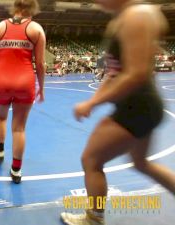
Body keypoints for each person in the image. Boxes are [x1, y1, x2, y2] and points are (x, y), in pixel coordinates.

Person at [61, 1, 175, 225]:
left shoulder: (136, 15)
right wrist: (93, 100)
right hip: (141, 106)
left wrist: (92, 104)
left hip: (137, 107)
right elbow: (114, 72)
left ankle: (94, 219)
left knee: (91, 160)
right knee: (141, 164)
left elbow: (136, 75)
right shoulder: (124, 19)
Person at [0, 0, 46, 183]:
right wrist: (42, 88)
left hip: (2, 81)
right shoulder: (36, 30)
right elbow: (40, 64)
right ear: (31, 10)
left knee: (1, 118)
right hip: (25, 83)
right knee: (19, 128)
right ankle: (16, 170)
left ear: (15, 8)